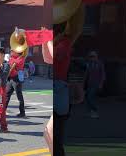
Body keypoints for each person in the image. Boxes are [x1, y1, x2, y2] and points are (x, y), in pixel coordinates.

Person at [54, 22, 72, 156]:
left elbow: (56, 56)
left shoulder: (64, 42)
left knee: (57, 131)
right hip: (56, 85)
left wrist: (51, 43)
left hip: (59, 87)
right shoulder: (58, 42)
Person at [84, 51, 106, 119]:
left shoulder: (100, 64)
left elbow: (103, 75)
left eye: (93, 56)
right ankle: (90, 112)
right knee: (88, 97)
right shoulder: (89, 64)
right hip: (89, 83)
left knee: (90, 97)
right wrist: (83, 82)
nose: (92, 58)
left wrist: (101, 84)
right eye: (90, 56)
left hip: (96, 84)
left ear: (96, 57)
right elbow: (86, 74)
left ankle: (94, 111)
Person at [5, 49, 26, 117]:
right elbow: (9, 66)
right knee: (6, 95)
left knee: (19, 96)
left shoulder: (21, 58)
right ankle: (3, 110)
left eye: (12, 51)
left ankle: (22, 112)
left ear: (17, 53)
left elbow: (15, 64)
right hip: (10, 78)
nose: (10, 52)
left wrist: (11, 60)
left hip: (16, 79)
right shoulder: (12, 57)